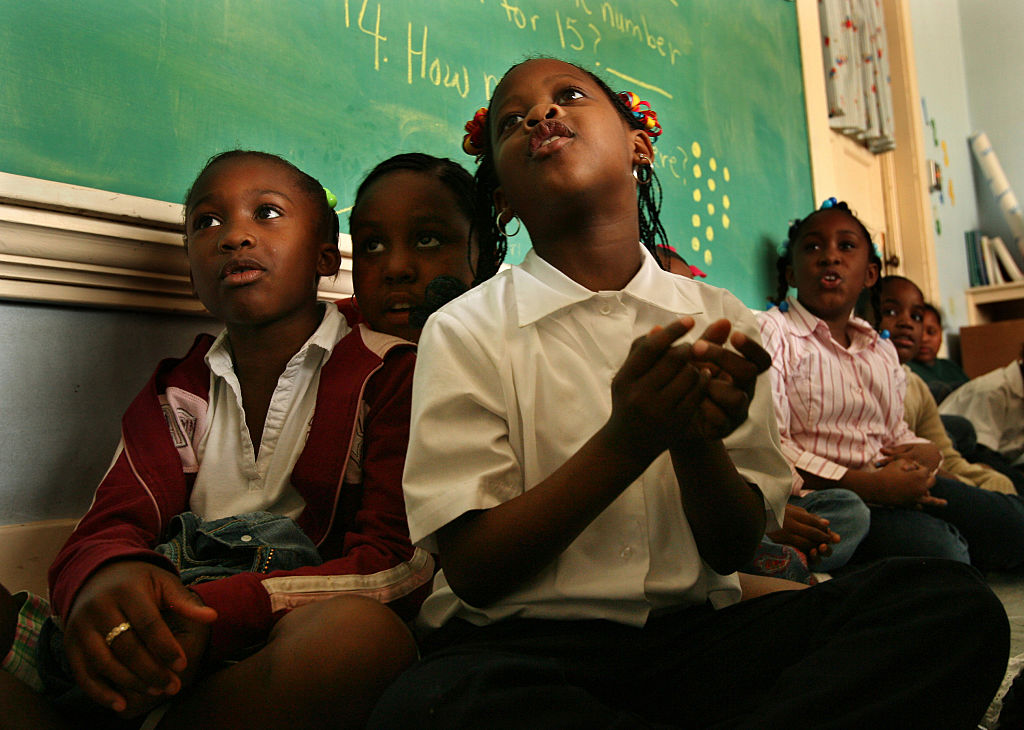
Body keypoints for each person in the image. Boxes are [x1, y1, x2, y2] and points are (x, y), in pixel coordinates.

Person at [368, 59, 1009, 729]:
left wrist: (695, 440)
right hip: (524, 649)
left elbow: (733, 549)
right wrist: (628, 440)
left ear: (637, 145)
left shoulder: (719, 315)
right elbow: (474, 571)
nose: (539, 116)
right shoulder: (466, 329)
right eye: (511, 120)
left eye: (569, 96)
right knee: (432, 709)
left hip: (700, 639)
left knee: (948, 606)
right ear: (501, 195)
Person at [0, 150, 437, 729]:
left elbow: (399, 563)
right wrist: (104, 580)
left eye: (267, 213)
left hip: (269, 632)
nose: (234, 236)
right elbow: (109, 525)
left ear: (326, 256)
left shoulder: (388, 376)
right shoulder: (176, 389)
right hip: (152, 620)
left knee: (361, 641)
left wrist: (219, 611)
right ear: (191, 269)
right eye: (207, 222)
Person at [761, 198, 1024, 571]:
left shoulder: (879, 348)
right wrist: (871, 487)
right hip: (834, 497)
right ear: (790, 274)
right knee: (948, 554)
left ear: (869, 275)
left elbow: (893, 430)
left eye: (846, 246)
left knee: (1012, 523)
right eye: (813, 246)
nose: (830, 257)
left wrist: (924, 452)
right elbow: (774, 443)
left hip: (891, 481)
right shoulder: (774, 333)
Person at [875, 275, 1021, 494]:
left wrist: (983, 477)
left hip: (937, 468)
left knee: (1001, 484)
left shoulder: (915, 384)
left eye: (916, 317)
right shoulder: (867, 380)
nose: (906, 323)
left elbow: (946, 455)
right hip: (900, 483)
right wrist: (961, 483)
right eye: (891, 312)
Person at [347, 152, 481, 342]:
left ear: (487, 252)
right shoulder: (322, 350)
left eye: (427, 241)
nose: (396, 268)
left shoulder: (524, 350)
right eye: (373, 246)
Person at [908, 303, 969, 403]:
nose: (924, 339)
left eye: (931, 332)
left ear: (941, 333)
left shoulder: (951, 367)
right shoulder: (906, 370)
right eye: (918, 333)